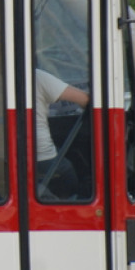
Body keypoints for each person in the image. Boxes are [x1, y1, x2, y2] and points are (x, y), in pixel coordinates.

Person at [34, 68, 90, 200]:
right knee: (68, 171)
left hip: (1, 159)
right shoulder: (36, 77)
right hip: (41, 156)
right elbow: (85, 100)